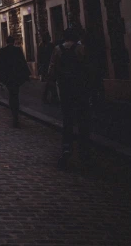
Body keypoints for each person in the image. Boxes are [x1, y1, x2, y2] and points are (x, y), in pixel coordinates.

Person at [49, 27, 91, 169]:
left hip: (64, 88)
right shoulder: (81, 49)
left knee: (67, 119)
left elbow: (52, 69)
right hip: (80, 88)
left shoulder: (57, 49)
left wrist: (51, 85)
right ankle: (84, 150)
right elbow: (87, 67)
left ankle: (67, 148)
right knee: (82, 118)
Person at [0, 35, 30, 126]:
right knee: (15, 95)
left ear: (6, 42)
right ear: (13, 42)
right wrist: (26, 75)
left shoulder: (3, 51)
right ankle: (15, 115)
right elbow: (23, 62)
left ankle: (14, 114)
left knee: (11, 95)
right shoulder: (17, 50)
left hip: (8, 77)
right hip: (16, 77)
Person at [38, 32, 58, 104]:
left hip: (47, 66)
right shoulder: (50, 46)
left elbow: (39, 58)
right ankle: (52, 97)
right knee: (50, 82)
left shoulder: (43, 46)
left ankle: (49, 97)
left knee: (49, 82)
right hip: (48, 66)